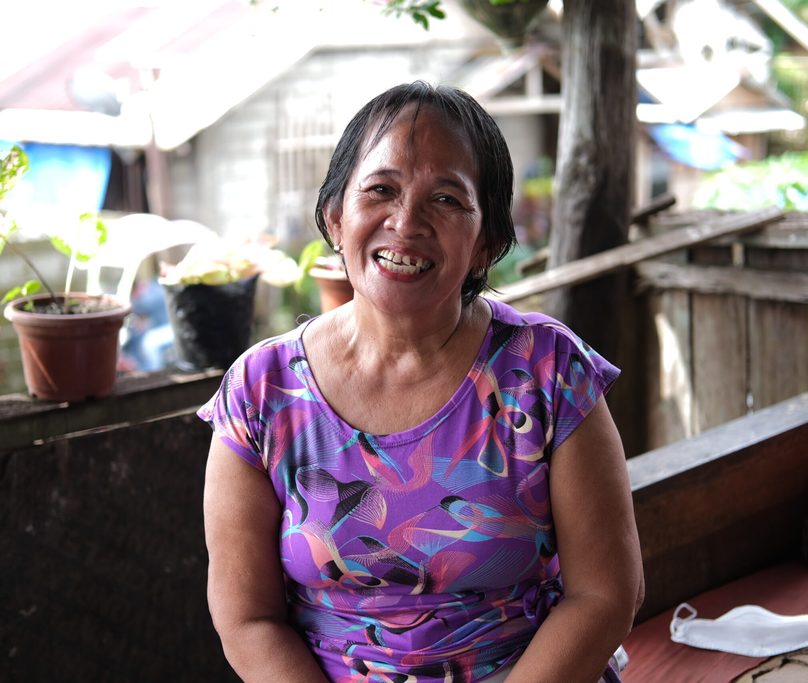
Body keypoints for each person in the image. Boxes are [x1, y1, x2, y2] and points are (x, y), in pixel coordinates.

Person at [200, 81, 644, 682]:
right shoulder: (261, 391)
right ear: (335, 216)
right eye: (380, 190)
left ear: (486, 242)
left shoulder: (547, 371)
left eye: (446, 199)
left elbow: (605, 595)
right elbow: (247, 620)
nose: (405, 222)